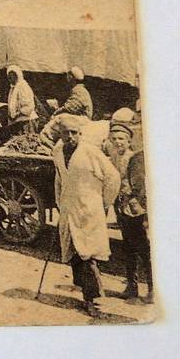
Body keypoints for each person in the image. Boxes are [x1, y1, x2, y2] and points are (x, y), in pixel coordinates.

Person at [52, 115, 121, 317]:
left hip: (89, 209)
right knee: (73, 251)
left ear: (81, 134)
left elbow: (113, 177)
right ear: (61, 134)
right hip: (68, 208)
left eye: (74, 132)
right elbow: (59, 177)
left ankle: (93, 298)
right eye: (66, 133)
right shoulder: (57, 151)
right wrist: (59, 201)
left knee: (88, 254)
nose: (71, 136)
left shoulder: (90, 152)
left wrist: (103, 202)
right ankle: (84, 292)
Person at [117, 150, 152, 303]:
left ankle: (153, 289)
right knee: (129, 248)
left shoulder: (138, 158)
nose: (118, 142)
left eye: (121, 139)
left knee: (147, 251)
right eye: (114, 138)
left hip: (141, 211)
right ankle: (132, 287)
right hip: (125, 209)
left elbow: (140, 187)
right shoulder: (116, 156)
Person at [6, 65, 38, 135]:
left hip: (25, 121)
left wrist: (18, 114)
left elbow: (29, 106)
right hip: (17, 121)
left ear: (17, 75)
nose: (10, 79)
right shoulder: (13, 88)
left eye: (12, 76)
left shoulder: (23, 86)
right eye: (8, 77)